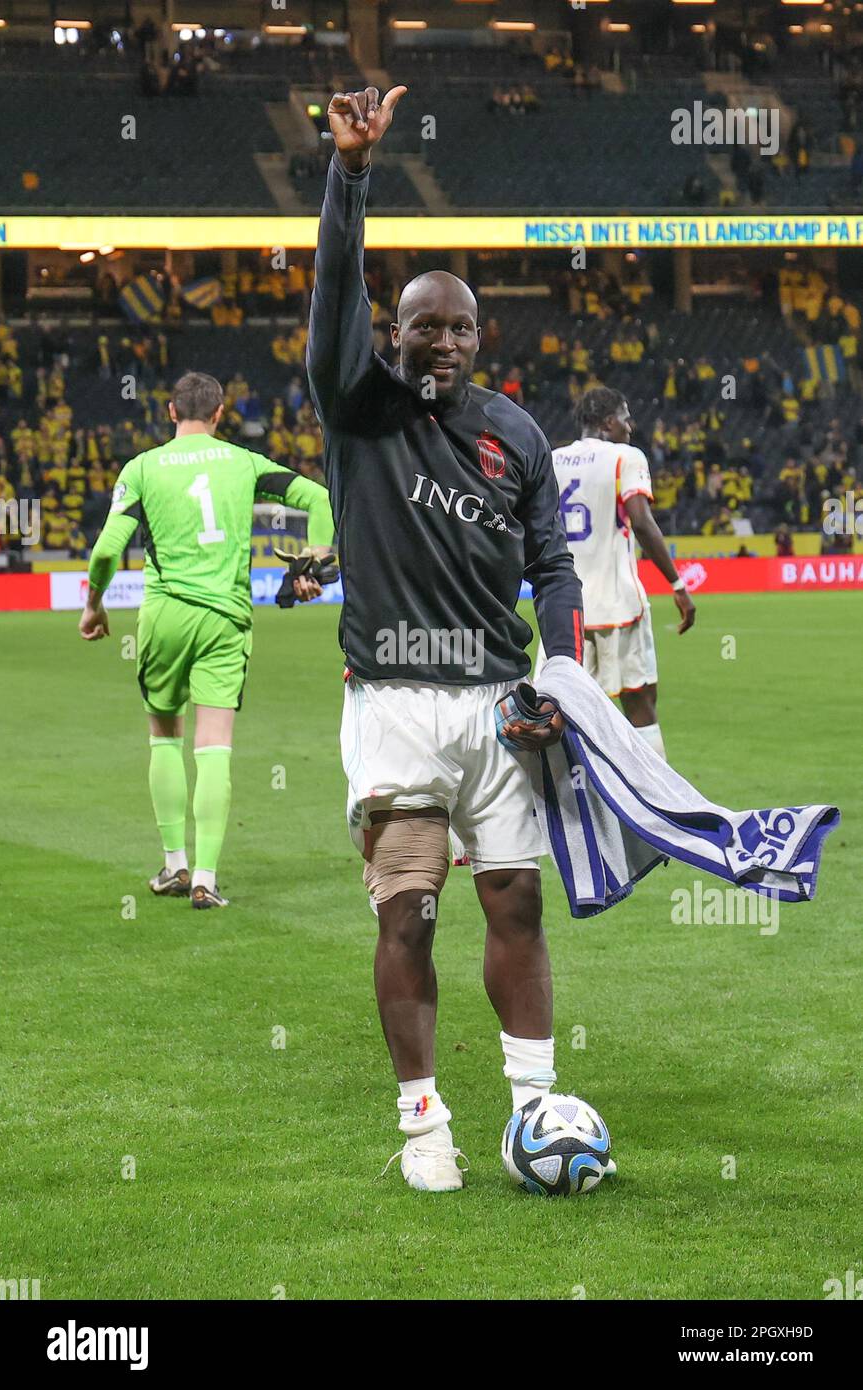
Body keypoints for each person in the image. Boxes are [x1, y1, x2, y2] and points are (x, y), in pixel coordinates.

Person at [309, 86, 590, 1192]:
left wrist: (561, 675)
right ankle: (423, 1121)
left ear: (480, 338)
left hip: (498, 702)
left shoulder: (515, 432)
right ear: (394, 334)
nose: (441, 339)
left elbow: (554, 567)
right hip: (394, 702)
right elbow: (335, 292)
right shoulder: (358, 407)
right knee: (410, 915)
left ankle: (534, 1104)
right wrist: (350, 175)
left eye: (459, 326)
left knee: (515, 900)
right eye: (422, 324)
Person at [79, 371, 335, 909]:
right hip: (224, 619)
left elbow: (105, 551)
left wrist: (94, 604)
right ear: (220, 414)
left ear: (171, 412)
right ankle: (205, 878)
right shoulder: (245, 462)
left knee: (164, 737)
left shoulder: (142, 468)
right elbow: (319, 497)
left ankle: (174, 864)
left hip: (164, 617)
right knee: (214, 743)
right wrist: (314, 556)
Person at [535, 388, 695, 761]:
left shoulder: (551, 459)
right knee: (640, 703)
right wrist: (677, 584)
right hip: (617, 605)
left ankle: (556, 792)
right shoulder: (626, 457)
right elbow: (641, 521)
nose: (630, 426)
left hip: (564, 610)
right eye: (625, 417)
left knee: (554, 709)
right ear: (608, 423)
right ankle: (652, 791)